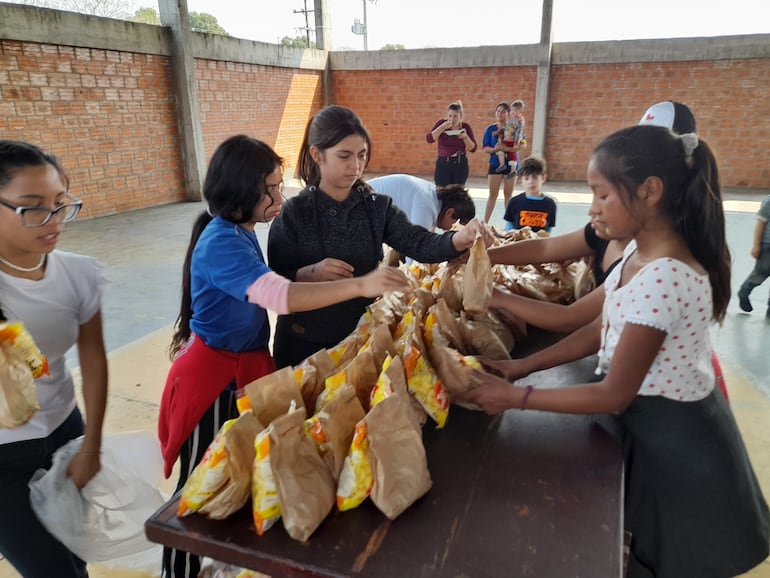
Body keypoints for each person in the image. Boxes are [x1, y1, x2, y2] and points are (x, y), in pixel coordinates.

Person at [459, 125, 770, 578]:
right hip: (649, 427)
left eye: (602, 195)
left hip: (677, 444)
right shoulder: (636, 257)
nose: (592, 208)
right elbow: (587, 326)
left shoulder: (667, 275)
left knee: (669, 558)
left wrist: (516, 398)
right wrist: (518, 363)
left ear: (650, 191)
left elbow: (614, 394)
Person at [158, 134, 410, 578]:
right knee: (197, 487)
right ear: (241, 191)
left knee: (239, 471)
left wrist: (307, 273)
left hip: (246, 366)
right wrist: (361, 284)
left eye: (280, 185)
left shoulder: (240, 230)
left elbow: (266, 282)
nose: (281, 196)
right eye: (271, 188)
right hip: (212, 379)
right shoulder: (220, 240)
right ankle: (177, 570)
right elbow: (278, 296)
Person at [268, 105, 488, 369]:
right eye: (344, 156)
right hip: (303, 343)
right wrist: (310, 272)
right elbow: (273, 286)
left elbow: (418, 241)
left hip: (355, 338)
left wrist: (458, 238)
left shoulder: (375, 207)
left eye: (362, 155)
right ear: (318, 155)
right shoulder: (293, 214)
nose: (356, 165)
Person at [0, 140, 108, 578]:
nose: (53, 221)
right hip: (3, 460)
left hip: (65, 434)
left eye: (60, 204)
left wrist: (92, 445)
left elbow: (95, 359)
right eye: (32, 208)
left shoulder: (78, 272)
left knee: (75, 551)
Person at [367, 174, 476, 231]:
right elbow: (414, 255)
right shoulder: (427, 206)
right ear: (449, 212)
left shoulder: (433, 198)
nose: (454, 231)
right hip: (360, 208)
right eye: (457, 226)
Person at [425, 100, 477, 187]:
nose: (452, 119)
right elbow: (430, 139)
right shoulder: (441, 124)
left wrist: (465, 137)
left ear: (461, 117)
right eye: (450, 116)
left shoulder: (465, 127)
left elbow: (473, 148)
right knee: (442, 192)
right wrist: (442, 127)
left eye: (455, 116)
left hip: (460, 163)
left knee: (457, 193)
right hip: (444, 162)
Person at [482, 102, 517, 223]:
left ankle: (510, 224)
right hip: (495, 165)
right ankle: (485, 223)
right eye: (498, 111)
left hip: (511, 164)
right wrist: (495, 149)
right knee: (493, 195)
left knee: (508, 195)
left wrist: (507, 149)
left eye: (503, 112)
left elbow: (521, 145)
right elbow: (486, 148)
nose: (500, 114)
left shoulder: (514, 128)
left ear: (508, 114)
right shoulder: (490, 129)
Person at [737, 193, 770, 318]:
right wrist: (756, 245)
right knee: (760, 274)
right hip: (768, 247)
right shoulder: (769, 202)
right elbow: (760, 224)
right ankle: (744, 292)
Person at [502, 156, 556, 232]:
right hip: (519, 243)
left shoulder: (550, 204)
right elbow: (509, 227)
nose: (531, 182)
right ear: (521, 180)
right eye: (526, 178)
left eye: (535, 177)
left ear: (543, 178)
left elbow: (548, 230)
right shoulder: (514, 202)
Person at [495, 99, 526, 174]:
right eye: (512, 110)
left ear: (520, 112)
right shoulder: (512, 119)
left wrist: (516, 142)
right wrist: (499, 132)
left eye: (515, 110)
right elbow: (506, 127)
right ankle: (502, 164)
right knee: (499, 148)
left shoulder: (520, 121)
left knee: (512, 154)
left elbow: (519, 133)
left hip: (513, 140)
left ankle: (513, 170)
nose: (512, 112)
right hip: (507, 139)